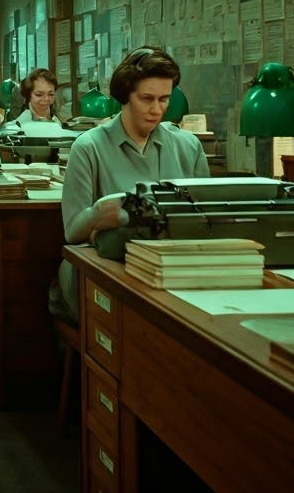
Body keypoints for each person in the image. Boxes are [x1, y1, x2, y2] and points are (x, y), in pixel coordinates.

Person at [51, 46, 209, 323]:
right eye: (147, 98)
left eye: (164, 99)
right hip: (107, 265)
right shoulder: (88, 147)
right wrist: (97, 215)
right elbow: (73, 233)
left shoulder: (188, 146)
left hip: (172, 265)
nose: (157, 109)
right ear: (126, 96)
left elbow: (206, 218)